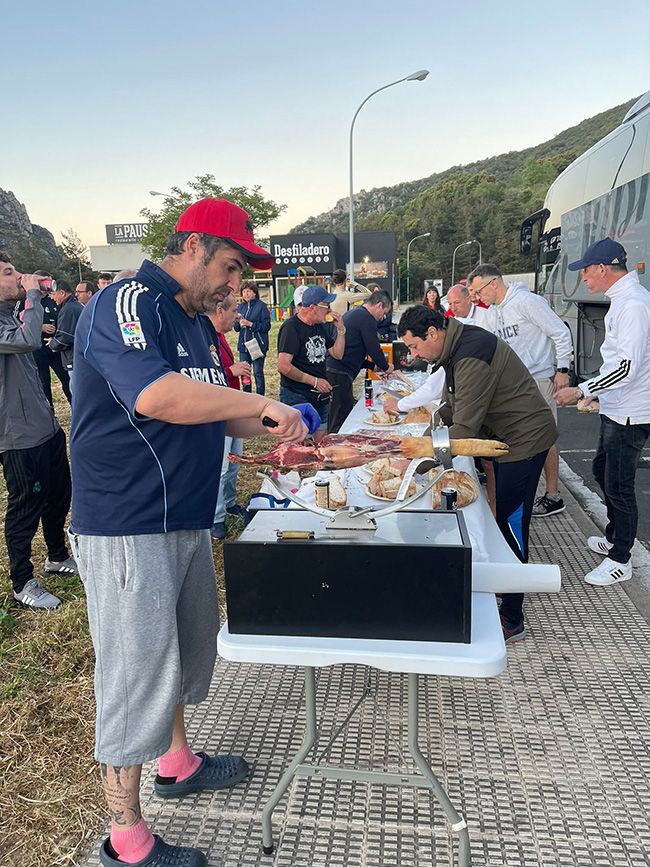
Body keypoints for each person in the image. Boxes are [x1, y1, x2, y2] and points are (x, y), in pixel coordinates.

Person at [68, 198, 307, 867]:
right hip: (128, 523)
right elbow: (158, 396)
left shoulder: (198, 324)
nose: (235, 284)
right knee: (135, 674)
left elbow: (216, 412)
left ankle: (176, 763)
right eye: (230, 266)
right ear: (195, 246)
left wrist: (280, 424)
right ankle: (126, 839)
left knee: (179, 652)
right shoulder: (127, 302)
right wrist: (262, 401)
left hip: (185, 517)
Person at [397, 305, 557, 643]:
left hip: (524, 441)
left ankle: (512, 617)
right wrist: (415, 446)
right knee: (500, 520)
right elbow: (448, 411)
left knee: (511, 526)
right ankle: (502, 583)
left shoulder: (471, 353)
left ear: (432, 333)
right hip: (503, 439)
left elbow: (462, 430)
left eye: (413, 346)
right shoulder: (456, 348)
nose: (413, 354)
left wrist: (414, 464)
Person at [555, 238, 650, 586]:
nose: (584, 278)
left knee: (619, 485)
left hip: (631, 411)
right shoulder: (624, 300)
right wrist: (599, 395)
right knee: (602, 470)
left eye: (585, 271)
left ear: (601, 268)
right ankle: (615, 536)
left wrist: (583, 389)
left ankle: (621, 558)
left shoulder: (634, 304)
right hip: (617, 405)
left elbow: (628, 367)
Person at [0, 253, 77, 611]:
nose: (20, 276)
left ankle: (57, 556)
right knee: (25, 506)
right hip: (18, 437)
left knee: (59, 495)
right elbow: (28, 340)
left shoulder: (10, 315)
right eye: (9, 272)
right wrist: (33, 294)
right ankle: (22, 582)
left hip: (45, 427)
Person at [467, 263, 572, 519]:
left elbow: (560, 332)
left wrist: (563, 370)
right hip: (513, 385)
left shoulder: (527, 302)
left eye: (479, 291)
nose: (478, 297)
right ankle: (523, 492)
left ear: (494, 283)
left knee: (545, 438)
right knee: (520, 438)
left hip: (538, 379)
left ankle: (553, 495)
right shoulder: (493, 312)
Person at [207, 292, 251, 540]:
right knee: (221, 467)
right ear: (219, 311)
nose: (237, 316)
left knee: (234, 461)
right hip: (218, 411)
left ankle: (229, 502)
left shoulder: (221, 336)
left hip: (232, 408)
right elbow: (203, 377)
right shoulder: (204, 337)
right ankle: (215, 518)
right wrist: (230, 371)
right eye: (234, 311)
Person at [277, 284, 346, 428]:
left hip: (320, 395)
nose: (329, 310)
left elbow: (337, 353)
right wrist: (314, 381)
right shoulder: (291, 327)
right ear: (313, 307)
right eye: (326, 305)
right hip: (297, 395)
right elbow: (283, 366)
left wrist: (341, 329)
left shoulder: (318, 326)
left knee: (320, 435)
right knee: (300, 438)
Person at [325, 290, 394, 432]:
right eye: (384, 313)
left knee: (342, 414)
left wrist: (372, 366)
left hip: (335, 371)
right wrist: (386, 367)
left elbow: (353, 350)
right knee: (339, 419)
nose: (382, 318)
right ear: (379, 305)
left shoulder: (354, 314)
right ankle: (334, 443)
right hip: (339, 373)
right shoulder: (367, 318)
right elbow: (373, 348)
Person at [32, 270, 71, 405]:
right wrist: (39, 327)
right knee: (44, 382)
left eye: (50, 281)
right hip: (38, 349)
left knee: (66, 379)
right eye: (44, 281)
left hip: (55, 347)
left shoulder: (53, 299)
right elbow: (17, 322)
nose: (48, 285)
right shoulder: (27, 300)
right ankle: (50, 413)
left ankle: (75, 407)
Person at [233, 280, 270, 395]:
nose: (246, 294)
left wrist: (250, 324)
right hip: (243, 346)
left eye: (248, 291)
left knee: (258, 373)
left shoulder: (261, 306)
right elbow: (236, 329)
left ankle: (260, 397)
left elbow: (266, 326)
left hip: (257, 345)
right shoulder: (240, 307)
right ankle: (247, 396)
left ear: (254, 292)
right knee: (245, 373)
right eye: (244, 292)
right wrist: (237, 321)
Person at [48, 280, 84, 376]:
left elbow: (64, 337)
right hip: (81, 357)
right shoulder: (76, 306)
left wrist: (53, 344)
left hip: (75, 358)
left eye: (53, 294)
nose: (52, 298)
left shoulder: (68, 310)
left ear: (62, 293)